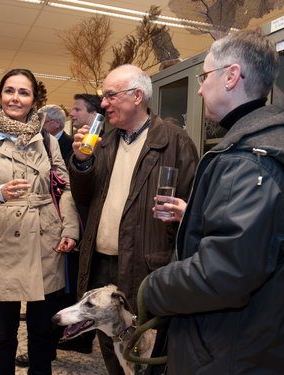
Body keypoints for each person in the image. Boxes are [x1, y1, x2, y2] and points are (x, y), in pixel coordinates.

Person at [141, 30, 284, 374]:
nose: (198, 88)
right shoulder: (262, 147)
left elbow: (224, 273)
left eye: (204, 76)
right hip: (250, 340)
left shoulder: (250, 160)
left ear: (231, 76)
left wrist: (152, 288)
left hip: (233, 351)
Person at [68, 64, 199, 374]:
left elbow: (192, 212)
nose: (103, 104)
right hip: (101, 264)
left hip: (146, 267)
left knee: (144, 351)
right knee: (110, 345)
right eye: (104, 97)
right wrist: (82, 163)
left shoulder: (175, 142)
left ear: (137, 96)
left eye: (111, 95)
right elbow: (85, 200)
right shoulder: (106, 143)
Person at [0, 68, 79, 375]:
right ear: (0, 96)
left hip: (45, 241)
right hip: (3, 242)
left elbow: (62, 186)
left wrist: (70, 228)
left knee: (41, 336)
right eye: (9, 90)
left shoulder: (48, 141)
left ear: (34, 100)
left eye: (23, 92)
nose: (16, 97)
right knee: (3, 336)